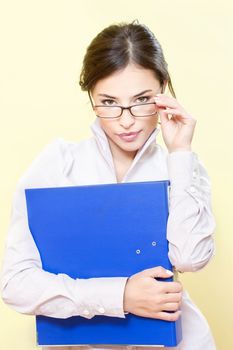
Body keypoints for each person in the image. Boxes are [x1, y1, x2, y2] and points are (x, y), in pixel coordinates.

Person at [0, 20, 216, 350]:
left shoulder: (181, 165)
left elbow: (190, 259)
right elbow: (15, 284)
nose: (126, 120)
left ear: (163, 88)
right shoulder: (58, 164)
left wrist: (181, 153)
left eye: (142, 99)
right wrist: (120, 296)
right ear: (90, 95)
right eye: (109, 102)